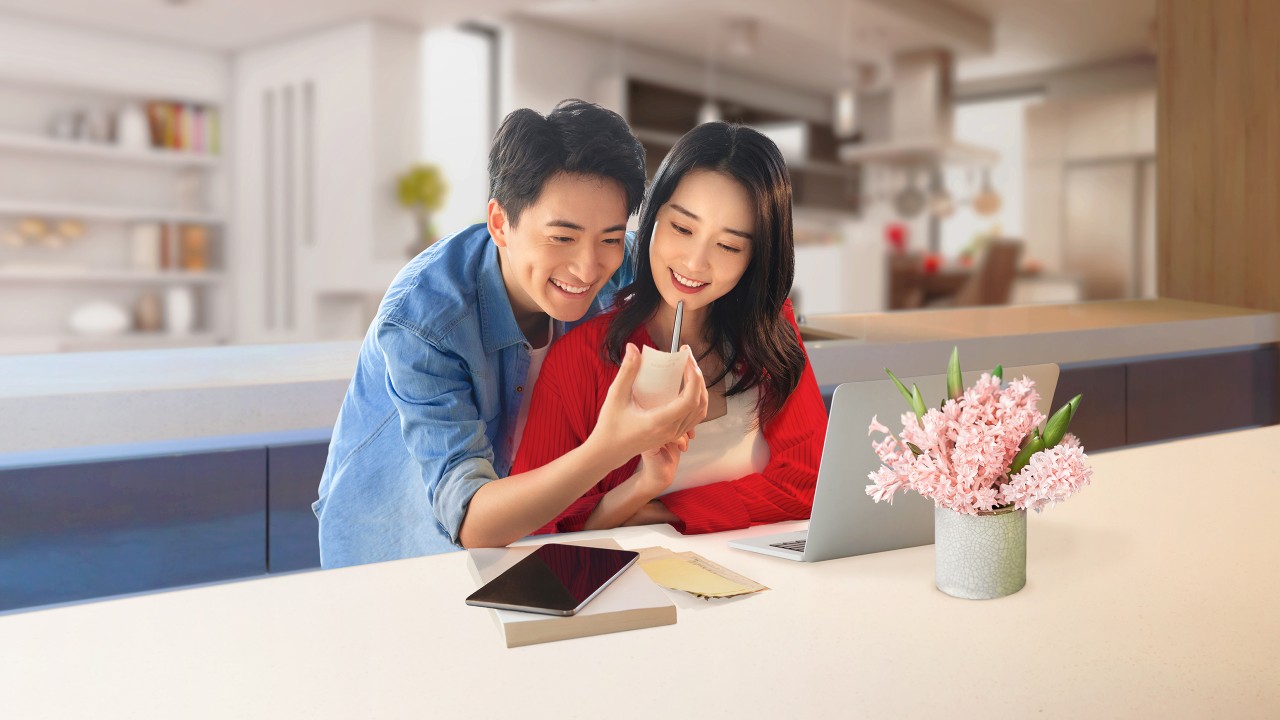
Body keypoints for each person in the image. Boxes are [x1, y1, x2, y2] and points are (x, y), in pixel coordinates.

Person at [314, 100, 708, 568]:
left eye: (608, 238)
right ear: (501, 223)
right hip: (394, 549)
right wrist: (612, 445)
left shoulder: (618, 264)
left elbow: (693, 257)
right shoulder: (425, 319)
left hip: (521, 542)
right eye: (562, 238)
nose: (587, 267)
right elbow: (473, 520)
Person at [511, 122, 827, 535]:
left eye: (729, 246)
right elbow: (546, 530)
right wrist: (643, 487)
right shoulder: (583, 358)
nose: (695, 263)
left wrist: (667, 511)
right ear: (651, 219)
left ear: (757, 255)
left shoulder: (771, 332)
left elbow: (811, 483)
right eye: (681, 228)